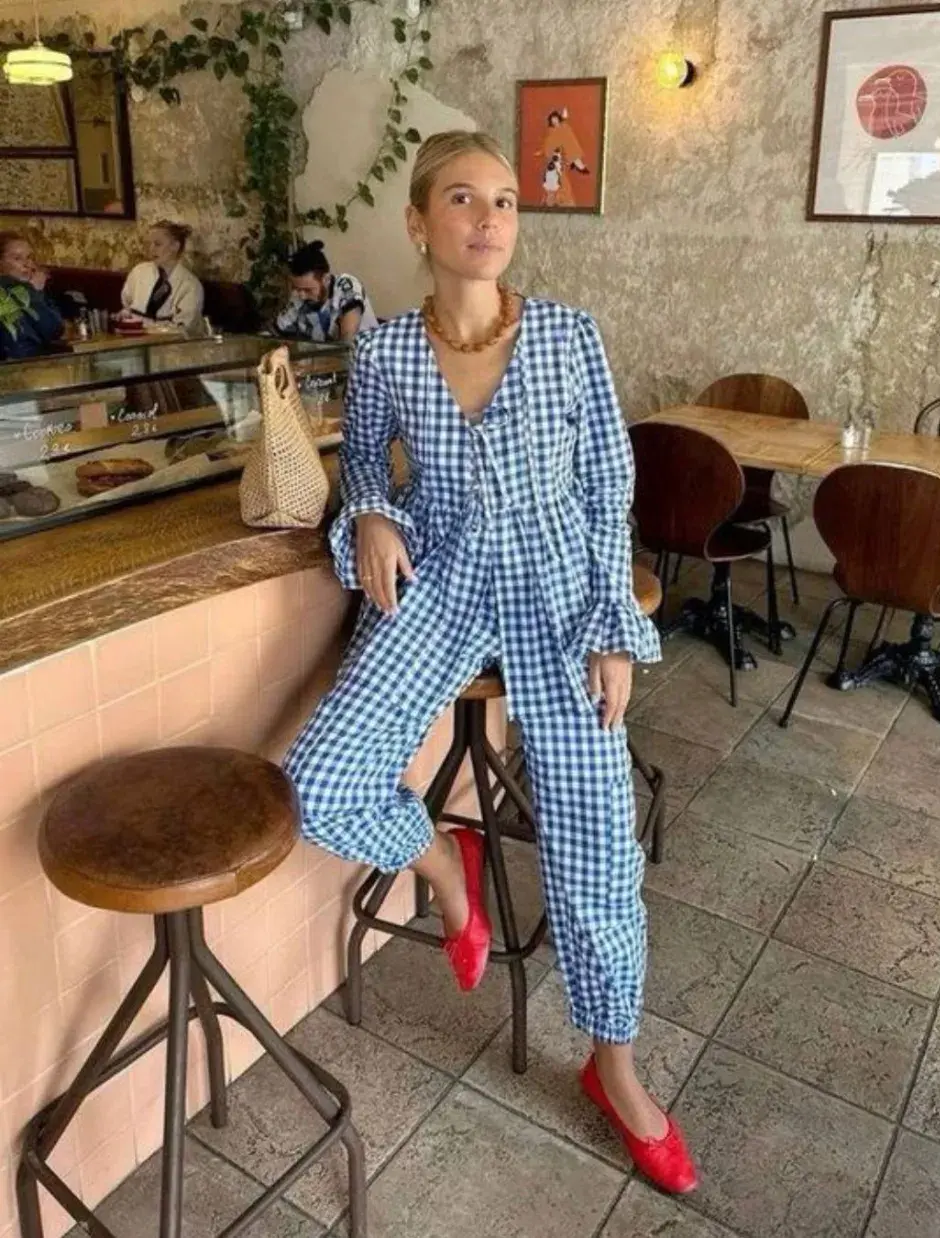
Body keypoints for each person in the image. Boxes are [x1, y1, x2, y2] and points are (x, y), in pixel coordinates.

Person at [283, 130, 698, 1194]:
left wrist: (614, 627)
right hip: (446, 578)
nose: (488, 218)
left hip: (560, 587)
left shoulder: (567, 335)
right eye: (462, 199)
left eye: (507, 202)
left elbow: (608, 486)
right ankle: (442, 867)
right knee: (322, 778)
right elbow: (366, 462)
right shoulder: (382, 352)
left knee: (596, 836)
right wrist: (372, 514)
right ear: (419, 223)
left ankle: (615, 1062)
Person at [274, 240, 377, 344]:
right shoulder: (298, 296)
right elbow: (275, 333)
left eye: (308, 290)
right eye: (295, 288)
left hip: (365, 356)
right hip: (324, 358)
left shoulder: (346, 286)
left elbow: (347, 343)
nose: (301, 295)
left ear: (326, 279)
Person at [120, 220, 204, 332]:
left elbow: (183, 329)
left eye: (157, 244)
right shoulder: (139, 272)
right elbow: (127, 303)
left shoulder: (190, 286)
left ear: (175, 246)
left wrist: (148, 329)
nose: (151, 249)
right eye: (148, 244)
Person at [0, 231, 65, 361]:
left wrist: (35, 291)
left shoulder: (28, 289)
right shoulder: (9, 293)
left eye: (29, 257)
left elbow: (56, 330)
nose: (27, 264)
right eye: (17, 258)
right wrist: (34, 292)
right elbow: (50, 331)